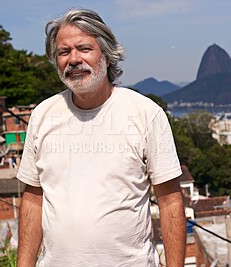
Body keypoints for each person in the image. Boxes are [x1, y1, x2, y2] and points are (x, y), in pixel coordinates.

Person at [16, 8, 186, 267]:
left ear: (107, 56)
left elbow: (170, 200)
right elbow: (33, 198)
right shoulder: (42, 115)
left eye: (84, 48)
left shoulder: (145, 114)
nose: (73, 59)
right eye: (64, 52)